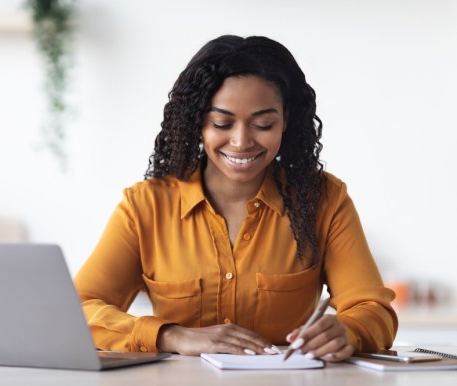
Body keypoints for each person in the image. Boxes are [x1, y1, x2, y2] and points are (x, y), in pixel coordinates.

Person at [74, 35, 398, 362]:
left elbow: (373, 310)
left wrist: (349, 330)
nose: (241, 141)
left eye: (263, 124)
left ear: (286, 120)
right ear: (197, 122)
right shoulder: (146, 207)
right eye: (222, 123)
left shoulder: (324, 200)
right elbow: (78, 310)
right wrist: (171, 335)